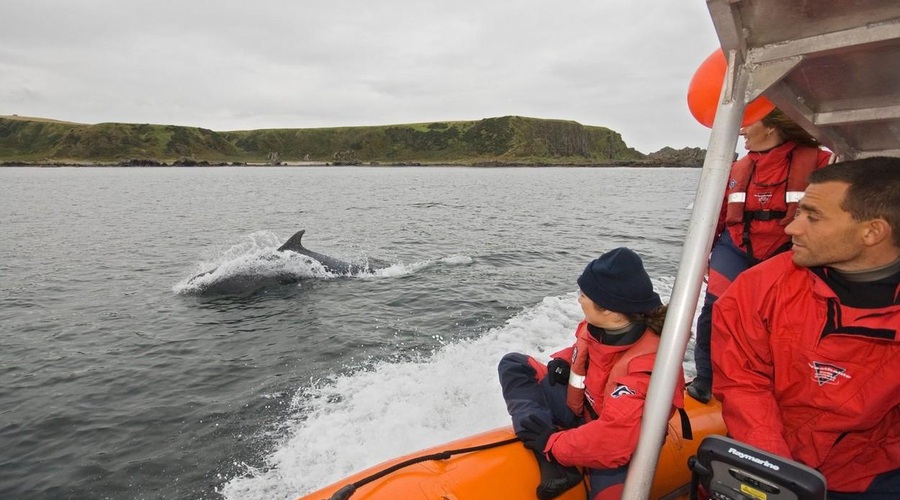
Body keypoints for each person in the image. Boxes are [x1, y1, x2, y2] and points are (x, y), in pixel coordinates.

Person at [711, 157, 900, 498]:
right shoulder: (758, 287)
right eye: (798, 212)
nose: (791, 228)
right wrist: (777, 471)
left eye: (812, 216)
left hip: (874, 476)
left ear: (872, 231)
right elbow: (743, 381)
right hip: (771, 455)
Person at [498, 247, 684, 500]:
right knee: (514, 365)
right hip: (581, 409)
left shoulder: (647, 365)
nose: (579, 299)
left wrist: (552, 444)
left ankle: (549, 450)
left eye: (584, 294)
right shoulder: (600, 326)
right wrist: (564, 361)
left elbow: (615, 440)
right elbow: (586, 349)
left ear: (608, 309)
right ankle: (548, 453)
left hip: (613, 439)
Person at [688, 108, 833, 403]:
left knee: (781, 320)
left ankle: (774, 383)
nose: (741, 130)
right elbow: (716, 214)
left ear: (770, 127)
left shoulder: (821, 162)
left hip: (787, 249)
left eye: (748, 123)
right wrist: (703, 254)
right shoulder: (735, 170)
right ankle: (707, 378)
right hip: (736, 247)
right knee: (716, 309)